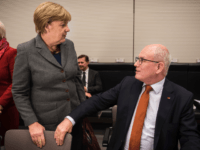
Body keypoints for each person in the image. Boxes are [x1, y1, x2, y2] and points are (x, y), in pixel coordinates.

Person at [55, 44, 200, 150]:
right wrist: (70, 119)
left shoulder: (181, 97)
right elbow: (97, 101)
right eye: (137, 59)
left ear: (159, 67)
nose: (136, 64)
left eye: (142, 60)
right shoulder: (128, 84)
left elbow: (190, 138)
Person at [12, 2, 85, 149]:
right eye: (63, 24)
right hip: (46, 126)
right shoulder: (26, 50)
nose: (68, 29)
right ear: (47, 25)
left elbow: (76, 79)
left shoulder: (69, 45)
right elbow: (19, 92)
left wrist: (83, 108)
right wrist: (32, 122)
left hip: (74, 118)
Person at [0, 21, 19, 146]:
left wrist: (0, 103)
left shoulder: (11, 53)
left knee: (8, 144)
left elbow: (16, 82)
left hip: (6, 108)